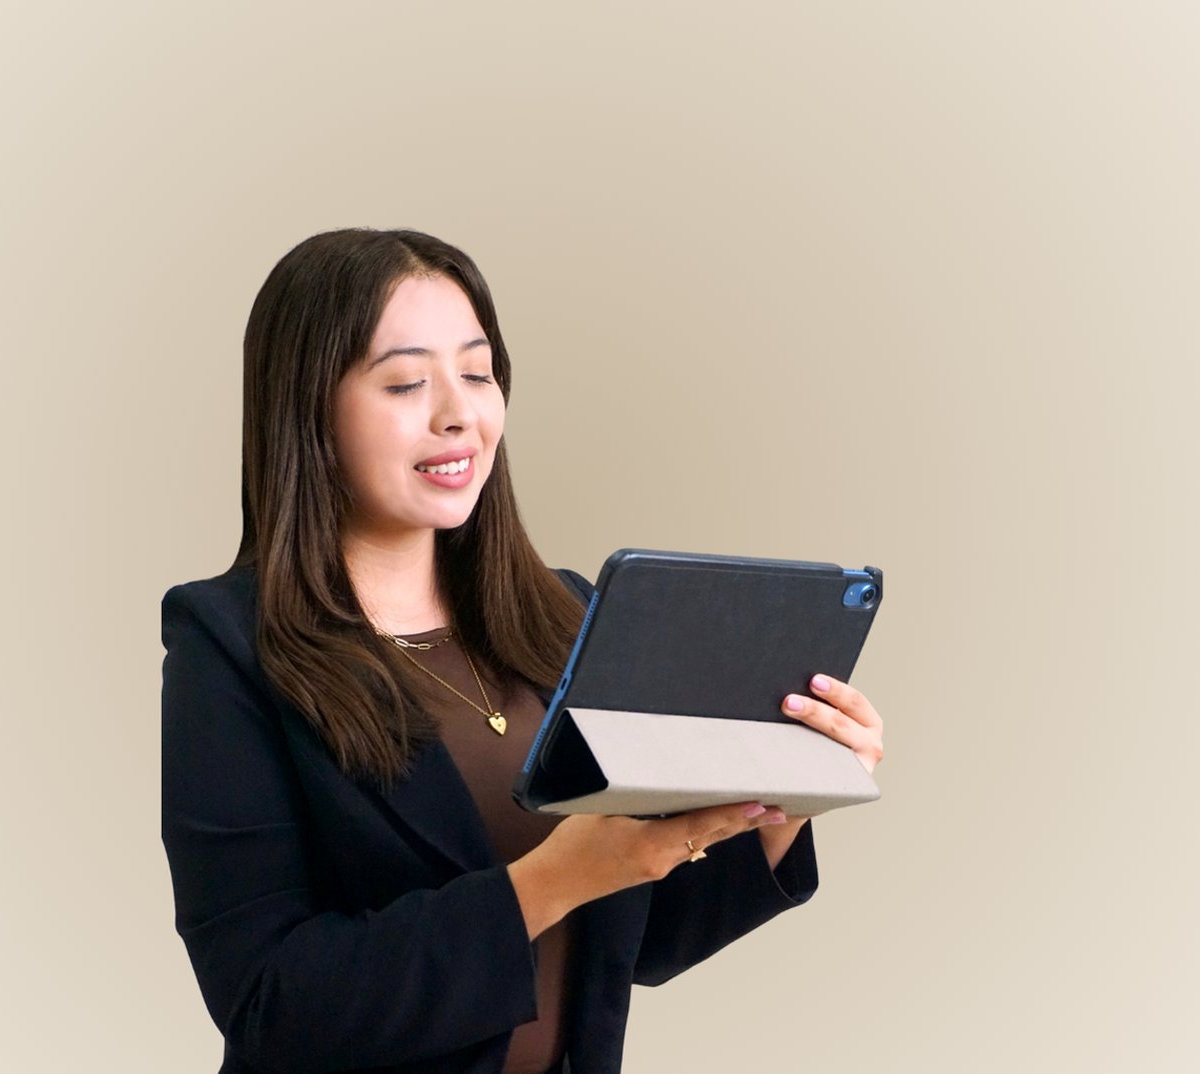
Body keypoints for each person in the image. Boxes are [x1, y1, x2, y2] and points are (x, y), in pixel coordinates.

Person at [161, 228, 887, 1074]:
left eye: (477, 373)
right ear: (308, 409)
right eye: (404, 382)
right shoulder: (230, 647)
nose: (458, 413)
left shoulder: (562, 614)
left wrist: (783, 802)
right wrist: (546, 882)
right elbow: (273, 1003)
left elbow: (637, 940)